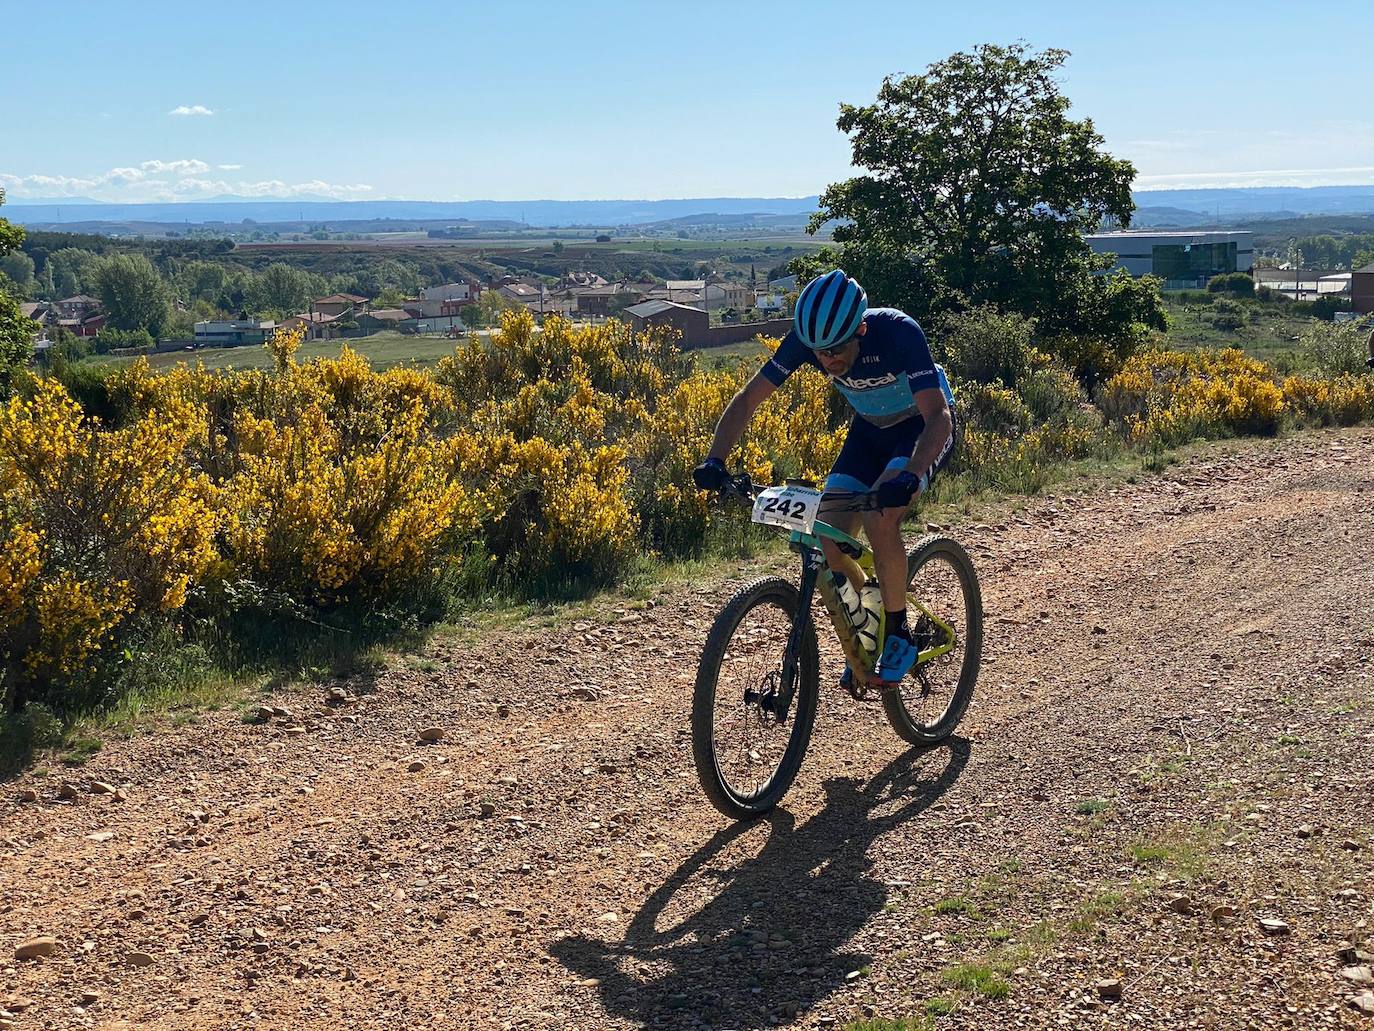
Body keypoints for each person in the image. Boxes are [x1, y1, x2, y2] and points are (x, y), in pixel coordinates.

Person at [692, 269, 956, 686]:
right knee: (826, 532)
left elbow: (937, 417)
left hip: (918, 428)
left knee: (879, 518)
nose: (827, 361)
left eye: (836, 350)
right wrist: (715, 459)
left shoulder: (899, 333)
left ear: (861, 329)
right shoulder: (807, 343)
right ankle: (871, 619)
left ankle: (898, 631)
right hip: (869, 429)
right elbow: (748, 401)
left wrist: (911, 474)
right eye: (819, 353)